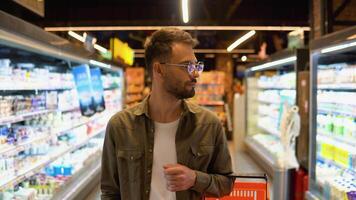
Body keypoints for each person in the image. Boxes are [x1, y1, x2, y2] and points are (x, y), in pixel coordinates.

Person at [101, 28, 234, 200]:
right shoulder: (120, 126)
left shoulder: (209, 124)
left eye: (196, 66)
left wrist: (195, 179)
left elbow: (227, 183)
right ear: (159, 70)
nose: (195, 74)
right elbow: (110, 192)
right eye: (187, 66)